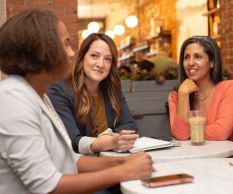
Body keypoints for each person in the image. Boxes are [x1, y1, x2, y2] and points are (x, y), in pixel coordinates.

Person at [0, 9, 153, 194]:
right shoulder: (12, 99)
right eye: (65, 45)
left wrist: (121, 161)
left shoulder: (39, 97)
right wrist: (123, 171)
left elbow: (71, 160)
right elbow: (47, 186)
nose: (72, 54)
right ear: (41, 50)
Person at [48, 33, 139, 155]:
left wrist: (109, 136)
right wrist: (111, 141)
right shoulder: (59, 91)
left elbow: (130, 125)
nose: (101, 64)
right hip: (79, 168)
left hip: (111, 162)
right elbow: (72, 141)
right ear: (82, 58)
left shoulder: (112, 89)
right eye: (94, 56)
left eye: (107, 59)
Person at [168, 35, 233, 158]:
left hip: (230, 165)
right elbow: (181, 136)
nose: (190, 63)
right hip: (195, 163)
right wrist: (183, 95)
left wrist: (191, 132)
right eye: (186, 57)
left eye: (198, 57)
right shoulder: (176, 96)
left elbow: (221, 133)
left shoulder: (231, 88)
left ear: (212, 62)